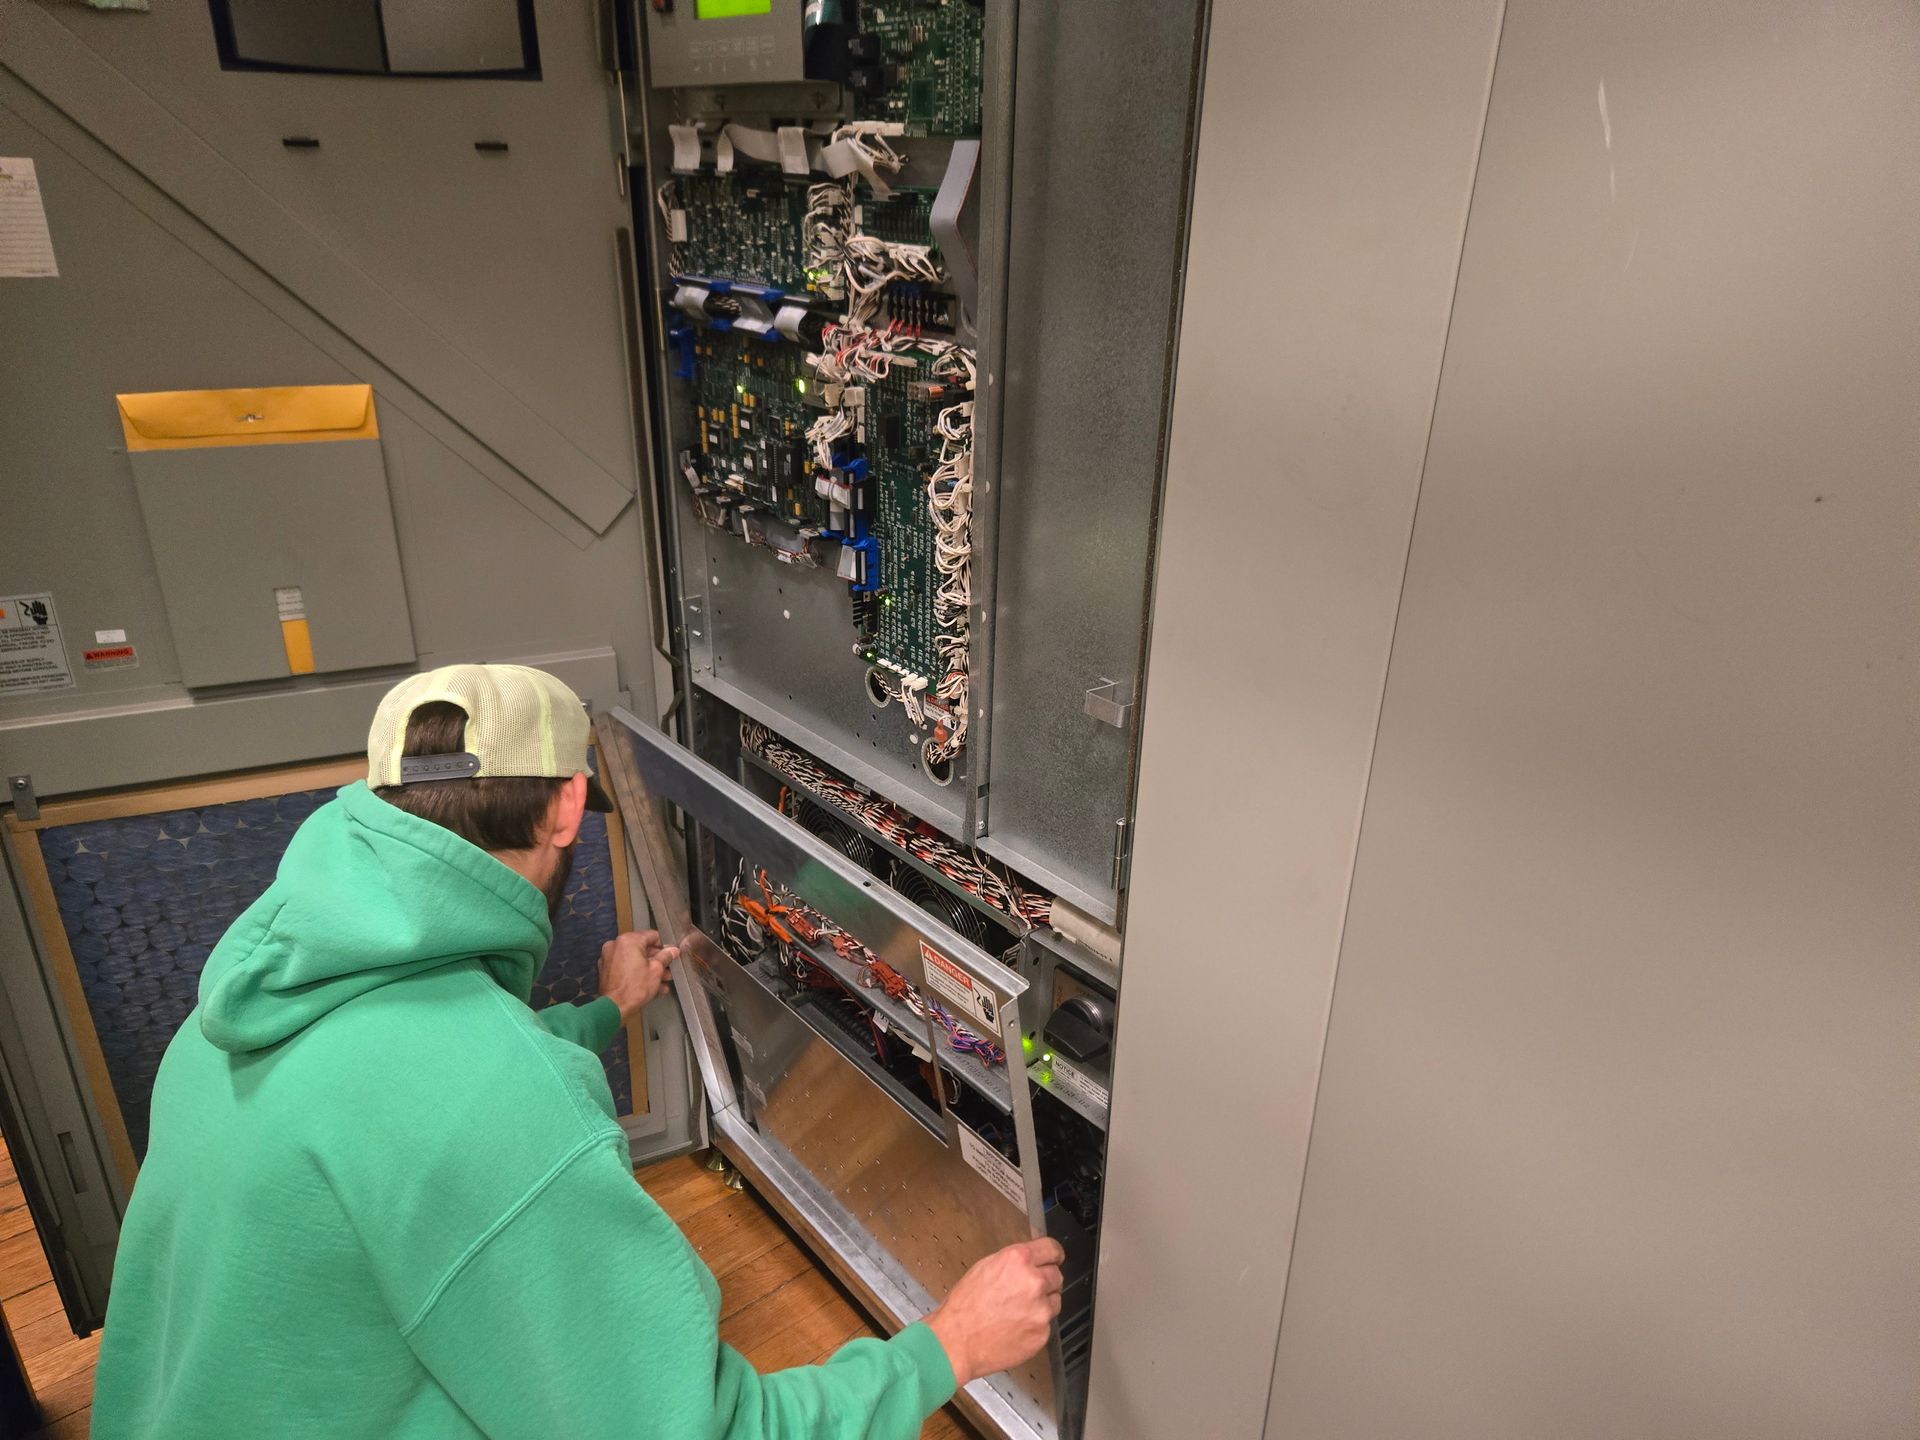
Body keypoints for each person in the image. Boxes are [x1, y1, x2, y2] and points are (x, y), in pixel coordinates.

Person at [91, 663, 1063, 1438]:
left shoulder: (245, 1005)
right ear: (566, 808)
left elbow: (406, 1107)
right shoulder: (494, 1112)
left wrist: (600, 1016)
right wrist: (946, 1346)